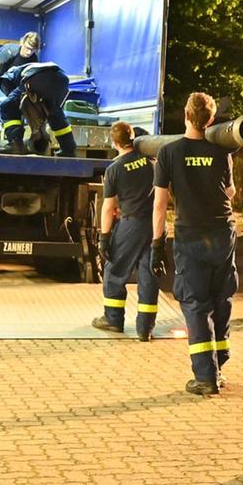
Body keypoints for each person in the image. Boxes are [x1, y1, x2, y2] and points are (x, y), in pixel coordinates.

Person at [152, 92, 238, 396]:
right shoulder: (222, 153)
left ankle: (205, 376)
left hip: (190, 235)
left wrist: (156, 244)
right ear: (211, 120)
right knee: (221, 298)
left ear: (186, 116)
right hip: (222, 232)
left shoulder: (169, 153)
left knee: (195, 304)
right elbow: (230, 193)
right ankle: (219, 367)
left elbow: (160, 204)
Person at [91, 121, 160, 340]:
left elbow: (109, 206)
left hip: (130, 224)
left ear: (114, 142)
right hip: (153, 224)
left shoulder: (114, 169)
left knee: (114, 271)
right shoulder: (151, 162)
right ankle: (145, 328)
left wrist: (104, 237)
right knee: (148, 273)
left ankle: (113, 319)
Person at [0, 61, 76, 157]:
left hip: (37, 78)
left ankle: (15, 144)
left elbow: (14, 103)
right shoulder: (27, 68)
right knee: (54, 113)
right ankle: (68, 149)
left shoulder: (6, 79)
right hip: (62, 80)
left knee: (7, 106)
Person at [0, 32, 39, 138]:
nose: (28, 52)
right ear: (22, 42)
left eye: (32, 50)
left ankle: (14, 140)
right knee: (1, 101)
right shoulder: (10, 51)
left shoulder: (33, 59)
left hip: (10, 82)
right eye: (27, 47)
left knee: (14, 105)